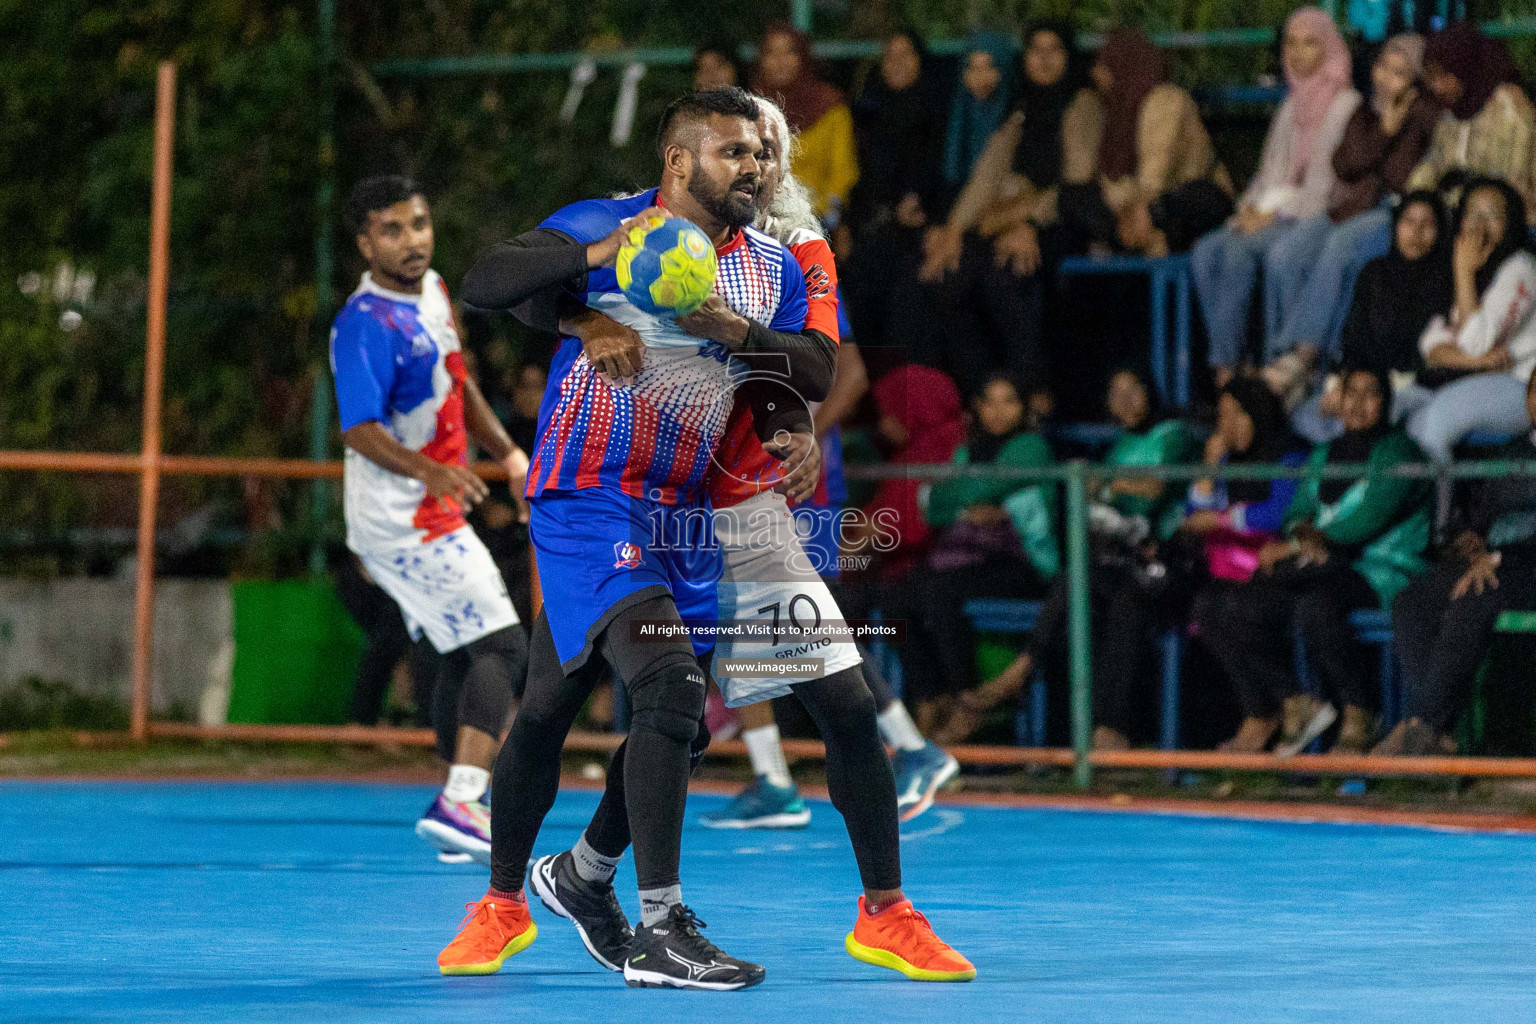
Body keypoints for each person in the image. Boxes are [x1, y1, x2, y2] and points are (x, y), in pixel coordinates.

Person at [438, 88, 821, 990]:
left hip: (682, 515)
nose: (757, 167)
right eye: (734, 152)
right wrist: (587, 301)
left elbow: (807, 363)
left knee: (560, 707)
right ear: (679, 162)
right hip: (588, 497)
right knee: (672, 686)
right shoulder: (608, 223)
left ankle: (558, 883)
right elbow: (493, 282)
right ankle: (659, 929)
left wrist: (785, 421)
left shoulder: (770, 266)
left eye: (761, 154)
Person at [700, 100, 961, 830]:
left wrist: (793, 435)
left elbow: (844, 373)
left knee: (798, 619)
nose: (746, 164)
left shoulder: (792, 246)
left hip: (789, 473)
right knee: (756, 622)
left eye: (757, 152)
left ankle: (903, 749)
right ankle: (781, 778)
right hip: (735, 472)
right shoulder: (716, 244)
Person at [329, 176, 531, 864]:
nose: (412, 240)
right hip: (405, 519)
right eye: (392, 230)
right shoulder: (365, 323)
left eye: (418, 224)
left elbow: (457, 377)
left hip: (429, 506)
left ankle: (458, 813)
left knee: (458, 650)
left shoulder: (436, 290)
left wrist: (505, 450)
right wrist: (434, 472)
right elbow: (358, 429)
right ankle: (462, 797)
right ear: (365, 243)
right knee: (505, 648)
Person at [933, 369, 1200, 748]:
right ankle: (1074, 713)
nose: (1124, 401)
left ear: (1151, 392)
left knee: (1126, 602)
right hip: (1124, 561)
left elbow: (1153, 489)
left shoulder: (1173, 436)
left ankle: (1080, 713)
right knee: (1077, 585)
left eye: (1133, 390)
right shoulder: (1119, 446)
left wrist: (1106, 483)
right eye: (1115, 392)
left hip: (1168, 563)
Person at [1201, 368, 1430, 755]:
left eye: (1369, 394)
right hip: (1319, 568)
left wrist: (1301, 545)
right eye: (1348, 393)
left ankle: (1360, 713)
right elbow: (1296, 514)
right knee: (1225, 606)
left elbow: (1367, 520)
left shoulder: (1400, 453)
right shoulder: (1324, 454)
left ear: (1386, 403)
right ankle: (1293, 700)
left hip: (1382, 570)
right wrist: (1302, 538)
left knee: (1317, 607)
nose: (1356, 404)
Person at [915, 21, 1099, 394]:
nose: (1044, 60)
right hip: (1015, 220)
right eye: (1036, 50)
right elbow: (988, 174)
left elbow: (1074, 183)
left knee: (1011, 272)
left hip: (1068, 219)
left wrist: (1030, 224)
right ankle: (986, 395)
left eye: (1055, 50)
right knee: (950, 275)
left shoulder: (1082, 102)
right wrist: (954, 230)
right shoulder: (1022, 108)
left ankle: (1031, 394)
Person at [877, 373, 1057, 736]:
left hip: (1024, 564)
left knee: (939, 589)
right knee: (892, 594)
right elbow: (931, 505)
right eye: (990, 401)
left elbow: (964, 490)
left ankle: (967, 700)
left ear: (1023, 408)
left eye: (1009, 401)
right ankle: (932, 697)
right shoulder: (967, 449)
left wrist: (959, 493)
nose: (998, 411)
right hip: (970, 560)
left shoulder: (1031, 448)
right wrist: (965, 501)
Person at [1263, 32, 1441, 396]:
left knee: (1342, 249)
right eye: (1384, 68)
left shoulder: (1424, 116)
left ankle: (1308, 354)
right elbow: (1344, 165)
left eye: (1400, 73)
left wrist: (1395, 130)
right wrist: (1382, 131)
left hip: (1391, 211)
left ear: (1415, 81)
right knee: (1286, 255)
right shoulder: (1364, 111)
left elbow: (1398, 179)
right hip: (1348, 208)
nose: (1388, 78)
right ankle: (1280, 354)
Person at [1192, 7, 1359, 385]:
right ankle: (1234, 358)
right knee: (1205, 252)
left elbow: (1323, 190)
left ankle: (1227, 372)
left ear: (1329, 48)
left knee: (1237, 252)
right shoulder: (1290, 105)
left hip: (1312, 214)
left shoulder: (1343, 105)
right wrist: (1247, 209)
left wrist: (1267, 217)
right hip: (1276, 212)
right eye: (1292, 43)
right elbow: (1268, 174)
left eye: (1310, 43)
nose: (1299, 53)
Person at [1382, 371, 1536, 756]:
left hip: (1526, 563)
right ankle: (1437, 729)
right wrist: (1471, 545)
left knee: (1472, 601)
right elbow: (1479, 516)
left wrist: (1496, 558)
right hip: (1492, 559)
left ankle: (1425, 726)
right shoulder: (1512, 451)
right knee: (1412, 602)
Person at [1291, 190, 1451, 443]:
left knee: (1368, 430)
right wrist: (1339, 385)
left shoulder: (1447, 282)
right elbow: (1354, 337)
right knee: (1306, 418)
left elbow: (1432, 357)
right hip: (1361, 385)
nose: (1416, 233)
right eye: (1408, 222)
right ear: (1396, 226)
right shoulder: (1375, 272)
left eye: (1427, 224)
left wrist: (1384, 389)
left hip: (1409, 389)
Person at [1058, 28, 1232, 256]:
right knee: (1076, 201)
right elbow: (1097, 178)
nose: (1097, 73)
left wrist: (1141, 210)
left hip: (1182, 200)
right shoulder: (1108, 111)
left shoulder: (1166, 100)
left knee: (1162, 209)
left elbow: (1156, 174)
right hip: (1140, 212)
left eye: (1106, 63)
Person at [1406, 178, 1536, 462]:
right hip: (1472, 375)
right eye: (1472, 212)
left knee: (1435, 422)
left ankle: (1442, 507)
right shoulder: (1456, 261)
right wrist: (1476, 362)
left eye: (1492, 214)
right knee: (1405, 419)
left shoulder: (1521, 269)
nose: (1479, 223)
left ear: (1510, 224)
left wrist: (1463, 271)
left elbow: (1475, 343)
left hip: (1520, 385)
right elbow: (1431, 343)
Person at [1407, 23, 1536, 216]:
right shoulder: (1452, 110)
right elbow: (1433, 164)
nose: (1437, 87)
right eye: (1431, 77)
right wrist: (1414, 199)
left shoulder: (1509, 108)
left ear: (1465, 68)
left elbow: (1510, 186)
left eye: (1444, 75)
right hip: (1448, 213)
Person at [752, 21, 859, 227]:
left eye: (789, 52)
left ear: (803, 57)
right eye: (771, 53)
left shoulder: (830, 107)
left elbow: (843, 171)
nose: (780, 61)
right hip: (757, 222)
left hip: (817, 220)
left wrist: (827, 217)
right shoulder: (750, 108)